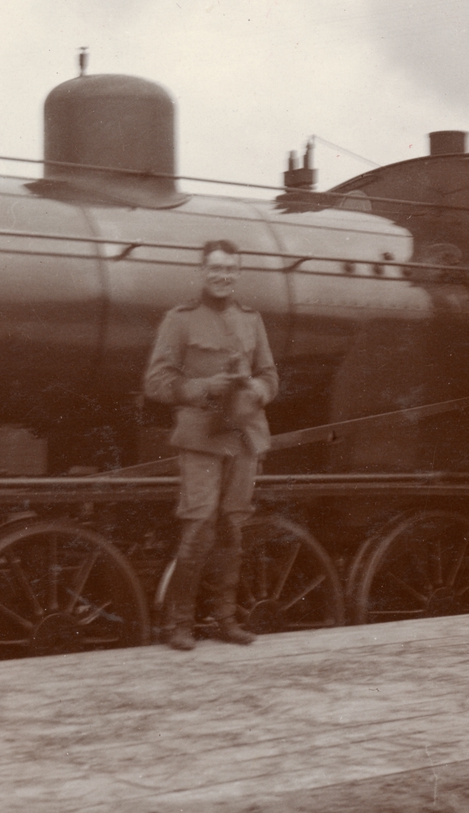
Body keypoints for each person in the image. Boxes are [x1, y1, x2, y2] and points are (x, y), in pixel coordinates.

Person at [143, 240, 279, 651]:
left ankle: (225, 619)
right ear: (202, 272)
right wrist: (204, 387)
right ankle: (179, 624)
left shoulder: (251, 320)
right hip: (201, 439)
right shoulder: (180, 320)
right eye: (216, 268)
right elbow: (156, 382)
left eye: (230, 269)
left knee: (233, 527)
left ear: (238, 273)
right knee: (200, 524)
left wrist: (257, 389)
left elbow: (270, 375)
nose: (223, 275)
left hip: (244, 436)